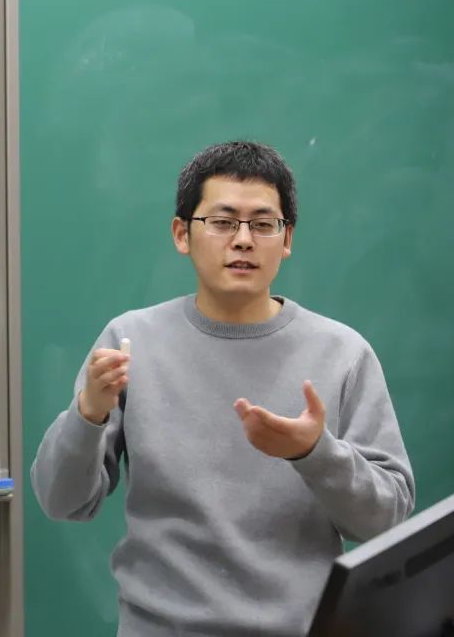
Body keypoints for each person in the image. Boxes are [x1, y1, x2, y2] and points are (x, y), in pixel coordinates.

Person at [30, 141, 415, 637]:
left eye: (263, 224)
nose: (243, 240)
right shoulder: (130, 342)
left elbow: (386, 521)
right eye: (223, 221)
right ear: (182, 234)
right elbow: (62, 501)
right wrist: (89, 414)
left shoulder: (343, 353)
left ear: (287, 238)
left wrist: (314, 453)